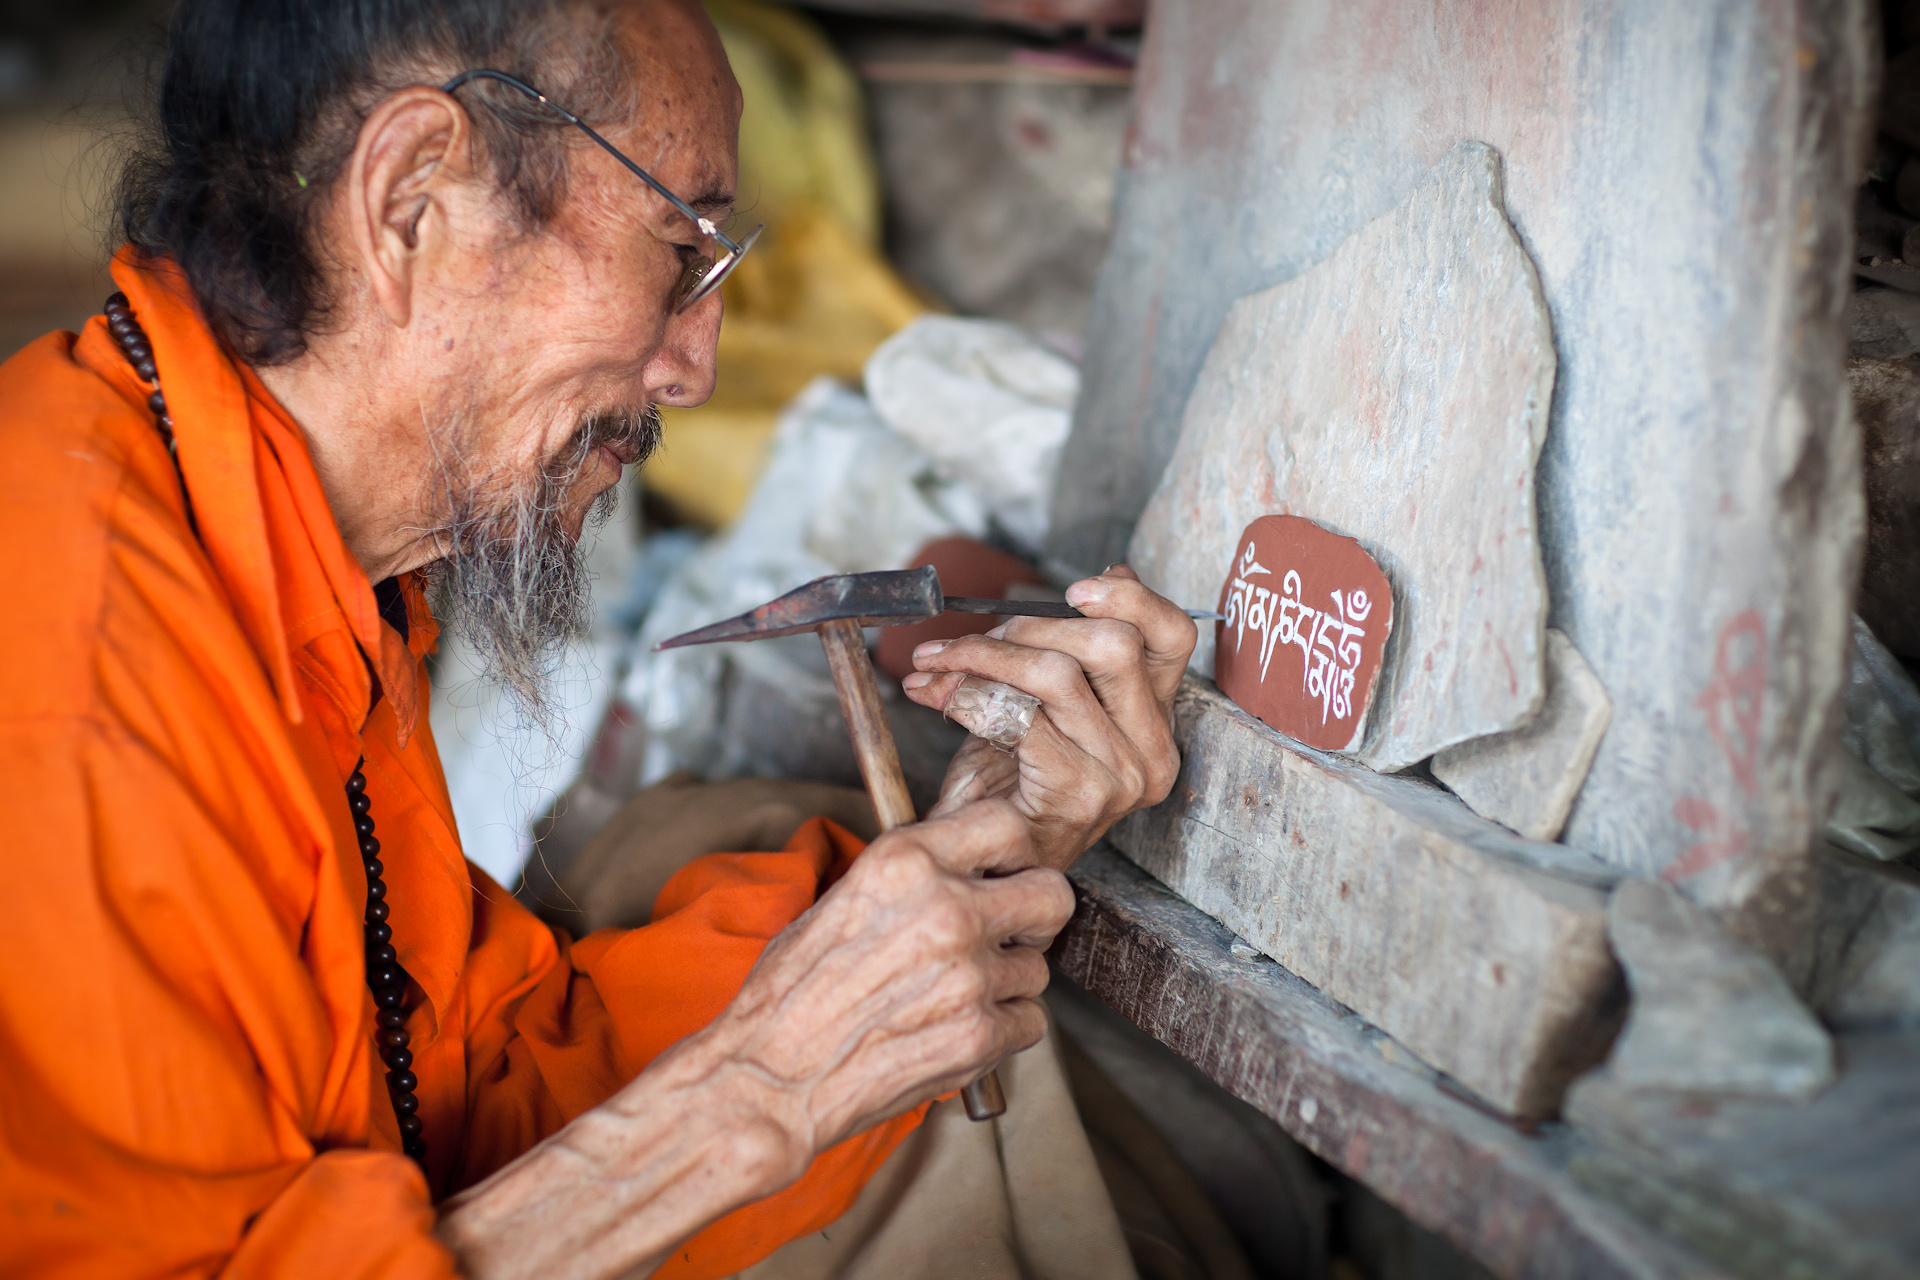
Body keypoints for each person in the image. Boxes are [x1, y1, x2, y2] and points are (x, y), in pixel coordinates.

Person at [0, 0, 1198, 1277]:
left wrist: (989, 840)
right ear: (414, 200)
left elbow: (469, 1095)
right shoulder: (77, 669)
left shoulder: (315, 566)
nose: (695, 368)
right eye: (680, 253)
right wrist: (756, 1093)